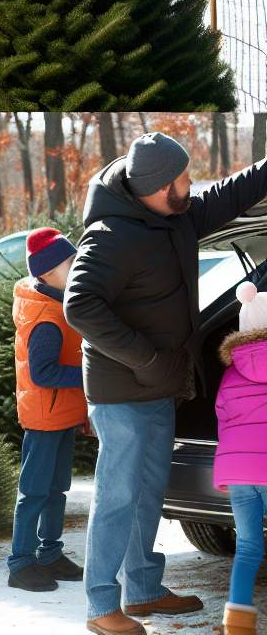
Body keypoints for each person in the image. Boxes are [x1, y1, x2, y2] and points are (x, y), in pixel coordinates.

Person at [64, 132, 267, 635]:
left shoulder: (175, 215)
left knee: (147, 492)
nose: (192, 184)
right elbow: (79, 305)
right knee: (117, 496)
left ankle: (145, 589)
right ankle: (100, 606)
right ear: (158, 186)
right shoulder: (110, 234)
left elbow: (233, 192)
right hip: (121, 391)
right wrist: (148, 357)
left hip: (157, 385)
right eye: (184, 179)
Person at [7, 227, 88, 592]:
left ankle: (50, 553)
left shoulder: (58, 302)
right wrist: (92, 375)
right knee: (35, 491)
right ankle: (20, 563)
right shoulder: (46, 317)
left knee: (57, 489)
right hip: (44, 416)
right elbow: (43, 373)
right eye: (70, 262)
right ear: (48, 270)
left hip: (63, 413)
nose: (75, 266)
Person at [213, 280, 267, 635]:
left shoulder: (231, 373)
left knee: (248, 547)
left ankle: (237, 624)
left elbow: (221, 416)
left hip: (238, 470)